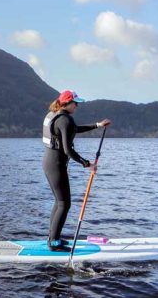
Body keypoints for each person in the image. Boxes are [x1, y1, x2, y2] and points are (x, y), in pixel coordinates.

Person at [42, 90, 111, 251]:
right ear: (67, 103)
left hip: (50, 162)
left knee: (59, 203)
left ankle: (53, 238)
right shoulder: (65, 120)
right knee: (64, 204)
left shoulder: (56, 115)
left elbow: (74, 129)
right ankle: (53, 243)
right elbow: (67, 150)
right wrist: (87, 164)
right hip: (56, 165)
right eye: (75, 103)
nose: (77, 106)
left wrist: (97, 125)